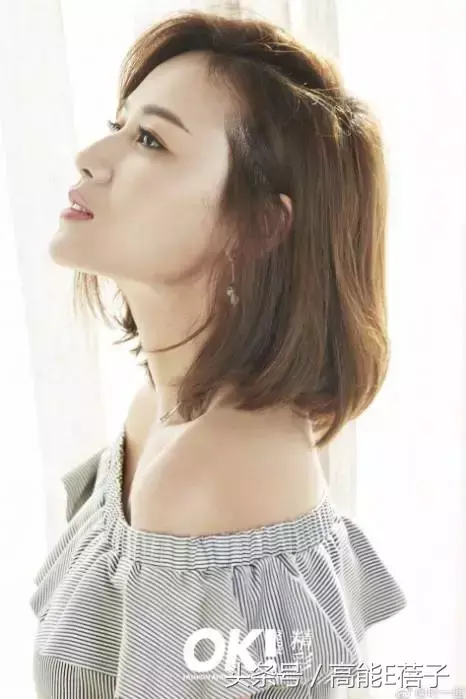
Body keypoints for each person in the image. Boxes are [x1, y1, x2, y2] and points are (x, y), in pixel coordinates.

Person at [30, 9, 406, 699]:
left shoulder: (210, 469)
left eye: (150, 140)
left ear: (261, 223)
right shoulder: (156, 413)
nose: (91, 155)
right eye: (120, 125)